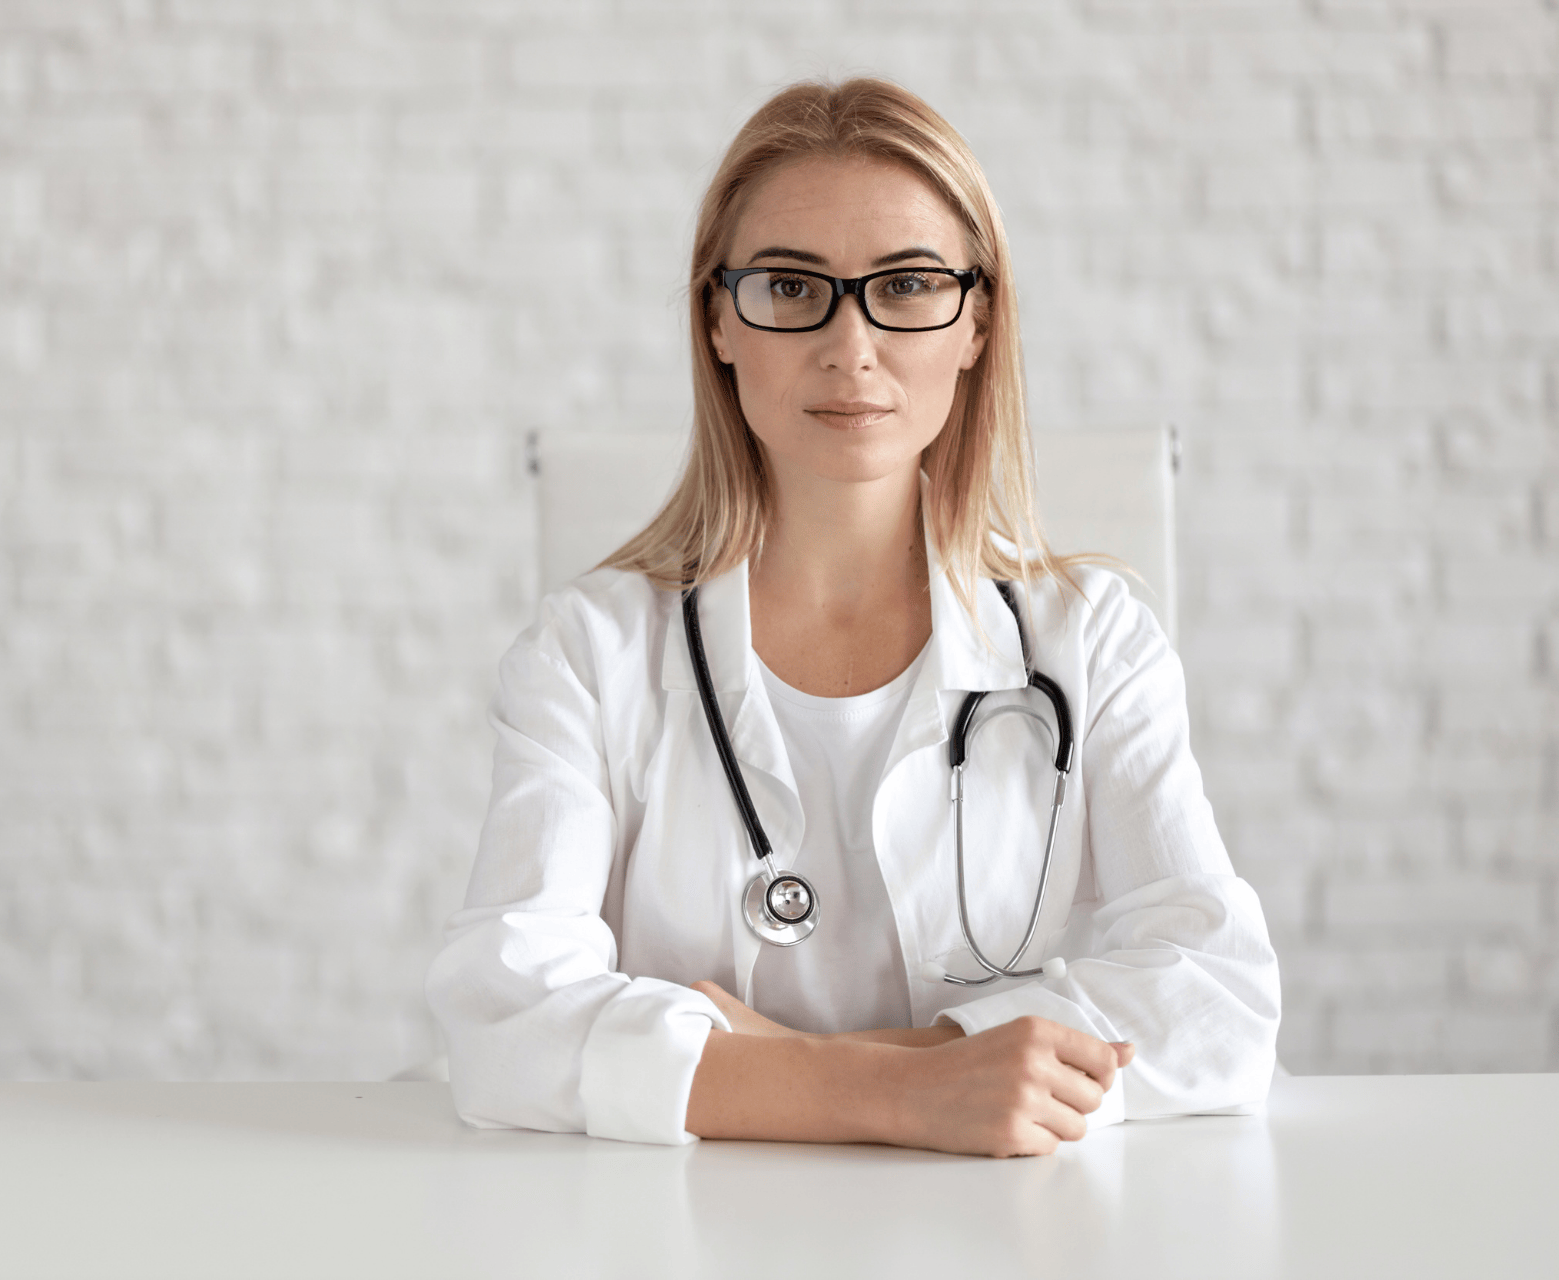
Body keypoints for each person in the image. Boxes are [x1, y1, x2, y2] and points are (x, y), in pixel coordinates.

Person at [427, 78, 1279, 1156]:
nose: (851, 345)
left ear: (977, 320)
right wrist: (917, 1087)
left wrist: (760, 1062)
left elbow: (1217, 998)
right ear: (718, 320)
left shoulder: (1095, 642)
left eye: (909, 284)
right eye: (790, 287)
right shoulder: (588, 653)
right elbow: (502, 1020)